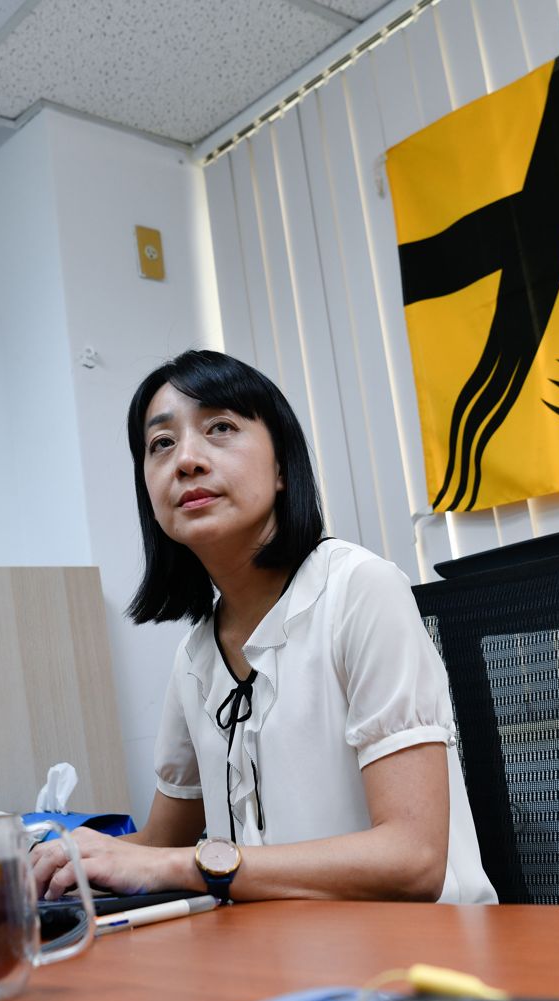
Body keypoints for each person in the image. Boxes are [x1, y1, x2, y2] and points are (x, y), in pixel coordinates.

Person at [30, 350, 495, 905]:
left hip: (421, 949)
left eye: (220, 428)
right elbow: (159, 845)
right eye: (162, 443)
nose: (186, 460)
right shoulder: (195, 657)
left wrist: (187, 865)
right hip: (279, 950)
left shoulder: (360, 589)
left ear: (281, 468)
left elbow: (413, 859)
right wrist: (64, 856)